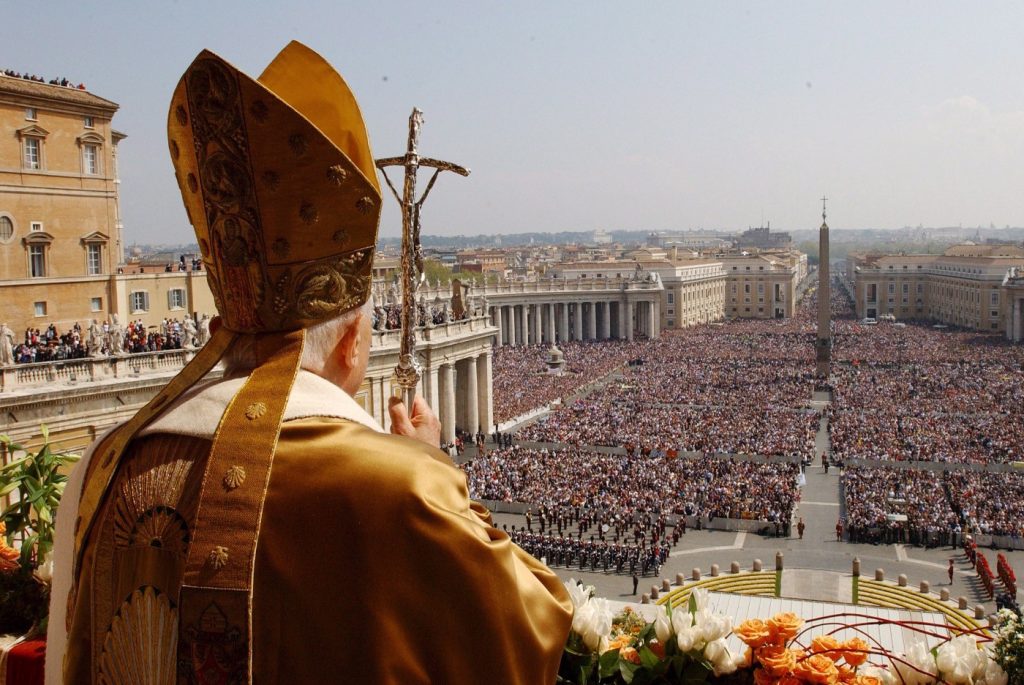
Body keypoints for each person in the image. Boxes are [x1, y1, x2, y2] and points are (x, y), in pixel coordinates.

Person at [46, 42, 571, 685]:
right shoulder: (400, 489)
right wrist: (435, 467)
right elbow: (532, 627)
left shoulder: (105, 464)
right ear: (352, 343)